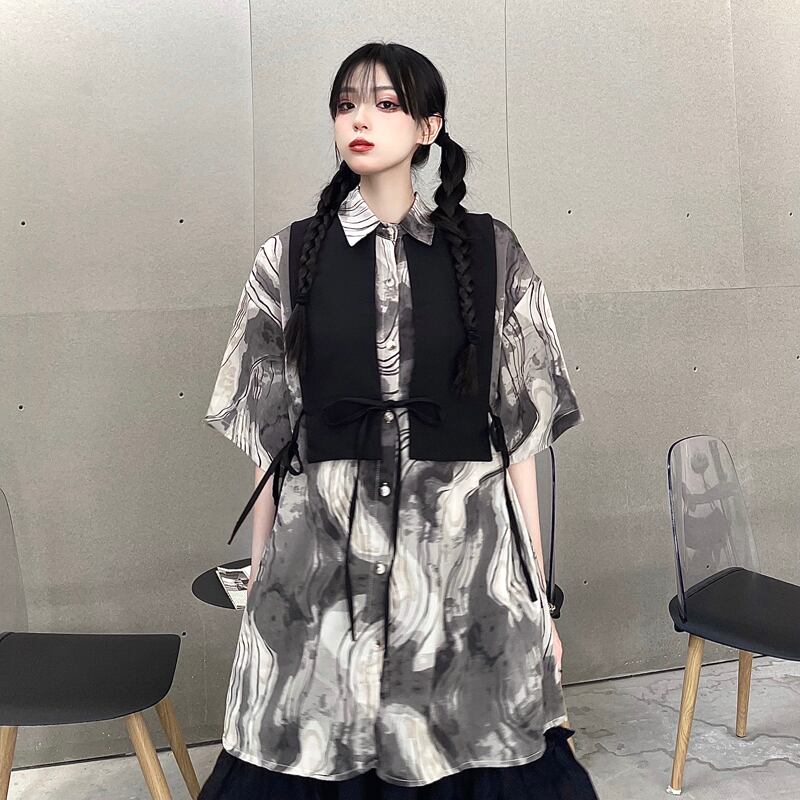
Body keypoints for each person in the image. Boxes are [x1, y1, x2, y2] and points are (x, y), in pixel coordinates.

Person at [199, 41, 598, 799]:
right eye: (346, 104)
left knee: (468, 750)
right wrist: (260, 589)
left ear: (428, 128)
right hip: (323, 571)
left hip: (462, 573)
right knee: (314, 749)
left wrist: (536, 593)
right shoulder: (286, 257)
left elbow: (522, 439)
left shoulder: (493, 252)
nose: (360, 120)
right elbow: (269, 439)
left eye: (386, 105)